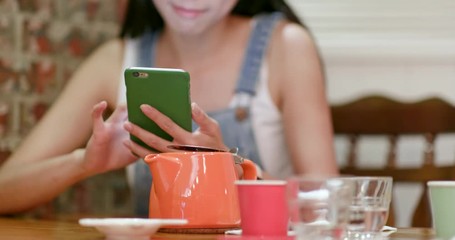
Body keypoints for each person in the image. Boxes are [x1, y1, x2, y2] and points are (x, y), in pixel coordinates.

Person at [0, 0, 338, 216]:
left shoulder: (286, 47)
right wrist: (82, 164)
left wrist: (235, 170)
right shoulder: (115, 60)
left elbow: (329, 206)